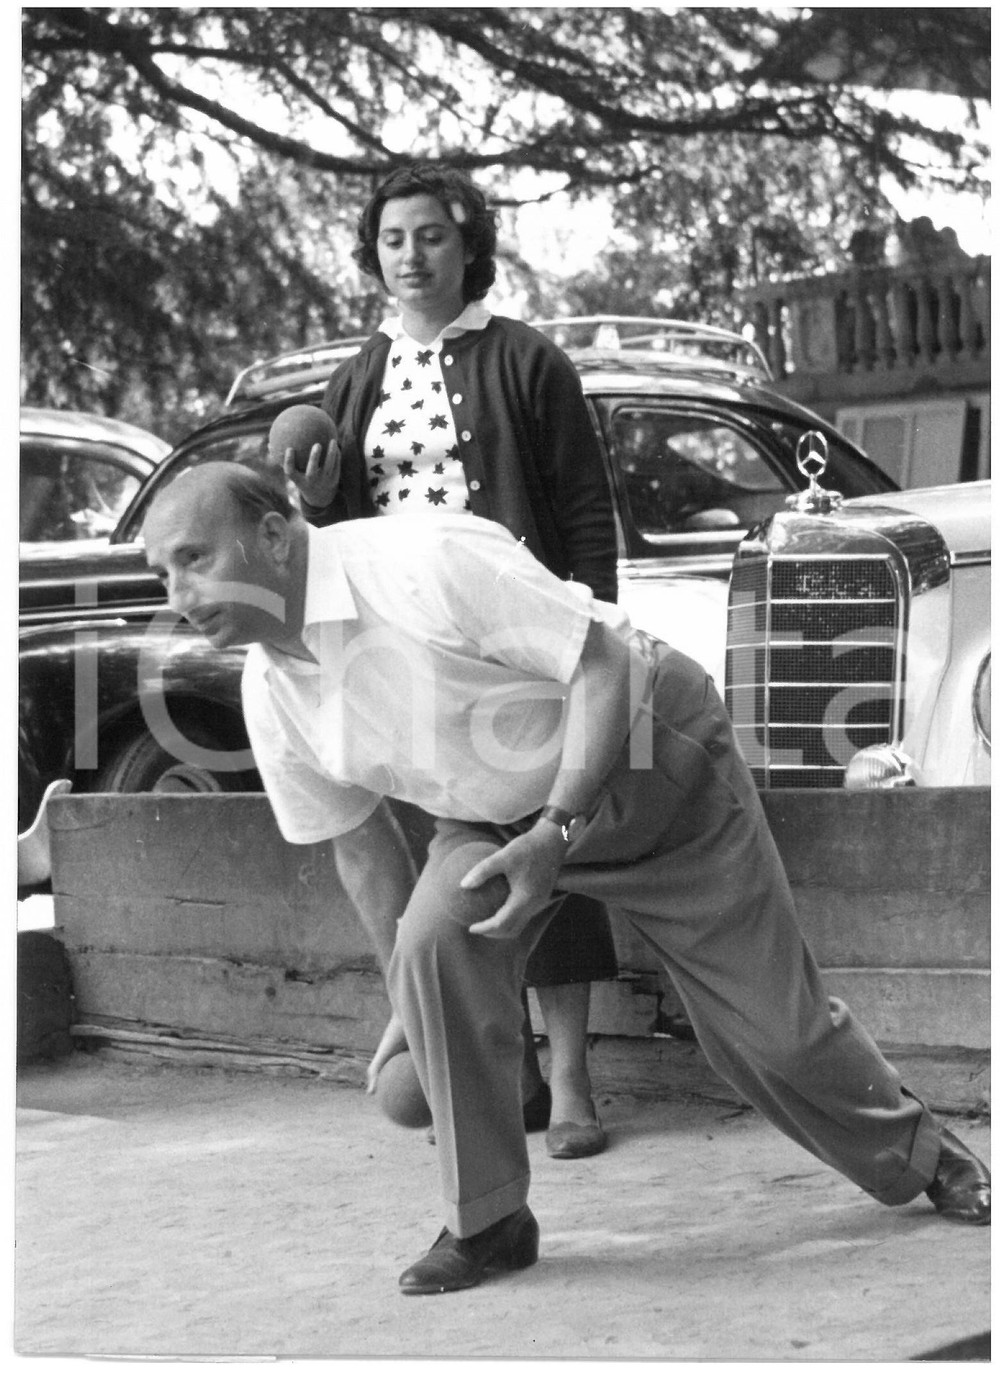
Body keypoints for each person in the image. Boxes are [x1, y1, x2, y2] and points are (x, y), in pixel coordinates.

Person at [142, 463, 990, 1297]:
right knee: (433, 947)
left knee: (770, 1037)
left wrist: (558, 828)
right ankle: (490, 1224)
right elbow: (361, 850)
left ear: (275, 535)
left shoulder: (423, 561)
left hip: (646, 757)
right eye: (163, 571)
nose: (179, 591)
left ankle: (927, 1157)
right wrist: (412, 1003)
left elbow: (607, 666)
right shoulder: (269, 690)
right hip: (492, 819)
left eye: (195, 557)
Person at [284, 163, 620, 1158]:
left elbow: (587, 510)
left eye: (431, 235)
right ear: (372, 255)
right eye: (393, 239)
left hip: (515, 633)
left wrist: (592, 626)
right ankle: (494, 1066)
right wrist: (310, 500)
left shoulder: (526, 360)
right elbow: (337, 531)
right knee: (458, 849)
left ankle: (568, 1074)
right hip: (411, 647)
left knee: (541, 833)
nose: (411, 255)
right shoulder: (359, 377)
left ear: (468, 244)